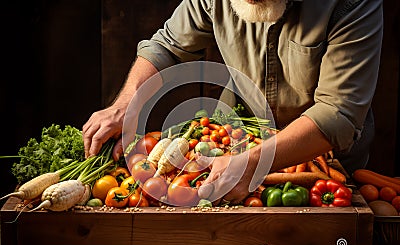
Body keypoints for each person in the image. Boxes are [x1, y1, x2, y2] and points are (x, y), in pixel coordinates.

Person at [83, 0, 383, 205]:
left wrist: (253, 163)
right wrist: (126, 104)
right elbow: (167, 47)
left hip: (323, 167)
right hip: (233, 149)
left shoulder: (351, 4)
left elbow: (338, 112)